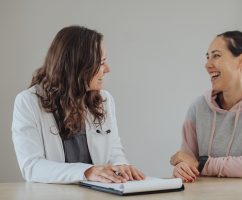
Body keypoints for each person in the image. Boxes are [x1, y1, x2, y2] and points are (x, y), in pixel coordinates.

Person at [12, 26, 145, 184]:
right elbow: (32, 167)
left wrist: (121, 166)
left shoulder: (105, 100)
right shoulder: (28, 102)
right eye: (101, 63)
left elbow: (113, 151)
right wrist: (86, 172)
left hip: (98, 193)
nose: (107, 69)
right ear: (78, 66)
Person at [170, 30, 242, 182]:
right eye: (207, 57)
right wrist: (182, 168)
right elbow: (188, 159)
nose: (207, 65)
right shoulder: (198, 108)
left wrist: (202, 164)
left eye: (216, 56)